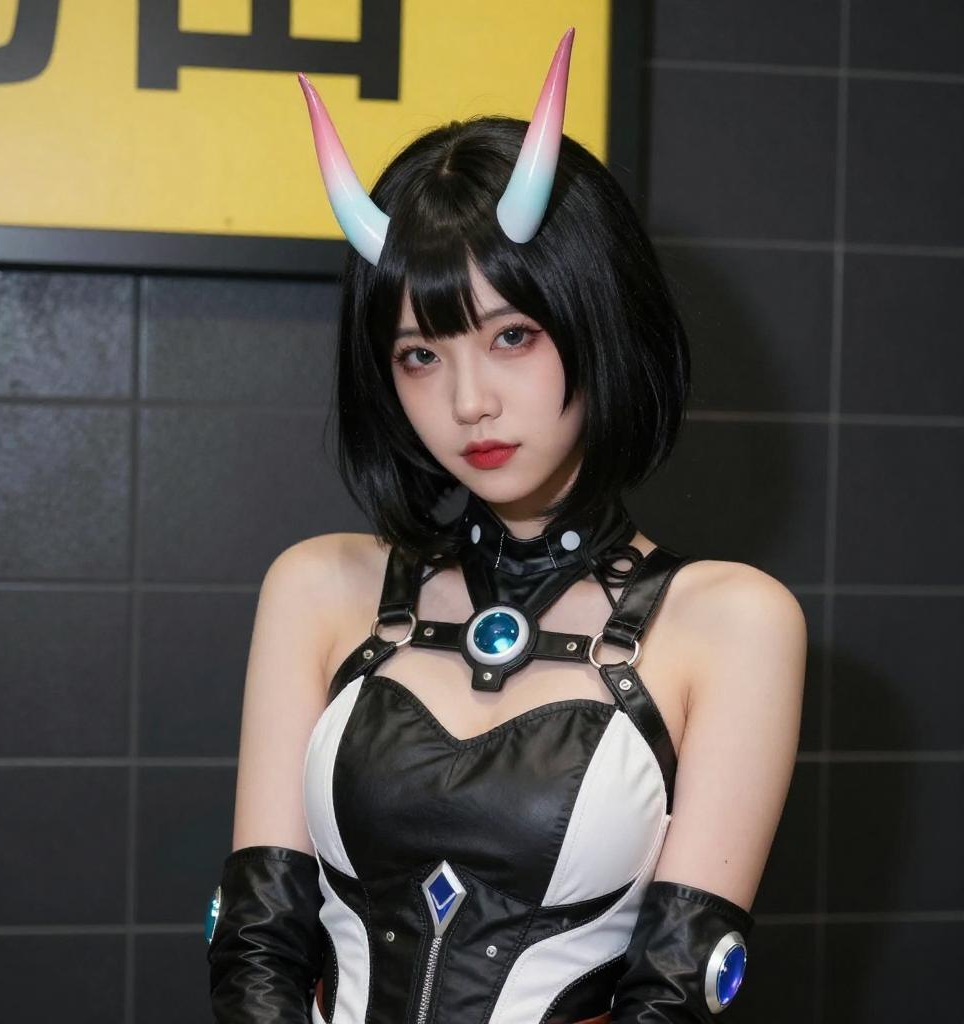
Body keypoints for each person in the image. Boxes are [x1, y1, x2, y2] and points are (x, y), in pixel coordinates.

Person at [206, 27, 807, 1024]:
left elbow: (672, 995)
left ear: (599, 322)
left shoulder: (732, 623)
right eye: (420, 354)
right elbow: (258, 950)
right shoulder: (317, 589)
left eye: (512, 336)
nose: (468, 401)